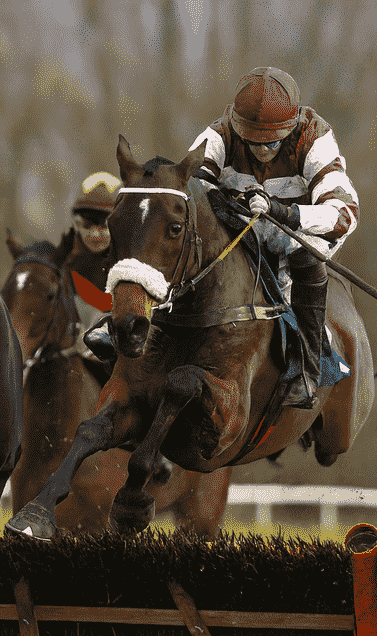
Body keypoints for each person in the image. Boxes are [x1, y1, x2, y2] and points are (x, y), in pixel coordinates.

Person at [89, 67, 361, 408]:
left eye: (272, 143)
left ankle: (307, 365)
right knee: (179, 238)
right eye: (252, 141)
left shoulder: (314, 139)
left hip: (302, 230)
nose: (262, 151)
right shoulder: (220, 134)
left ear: (291, 129)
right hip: (243, 221)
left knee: (304, 258)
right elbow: (191, 187)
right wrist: (226, 201)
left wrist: (284, 213)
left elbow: (344, 213)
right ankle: (129, 321)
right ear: (237, 126)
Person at [68, 172, 119, 355]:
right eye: (87, 226)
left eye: (104, 226)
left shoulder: (132, 268)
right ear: (76, 224)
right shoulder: (65, 268)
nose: (95, 234)